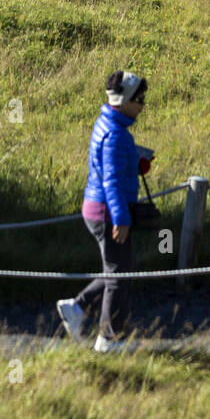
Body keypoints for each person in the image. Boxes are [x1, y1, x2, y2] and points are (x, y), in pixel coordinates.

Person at [56, 70, 149, 353]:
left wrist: (136, 160)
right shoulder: (115, 135)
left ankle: (78, 307)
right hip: (108, 213)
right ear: (123, 101)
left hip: (100, 209)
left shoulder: (109, 125)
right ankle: (109, 339)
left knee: (122, 269)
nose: (143, 105)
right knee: (119, 276)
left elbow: (113, 170)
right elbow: (111, 182)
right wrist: (120, 219)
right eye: (139, 99)